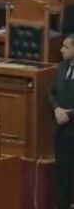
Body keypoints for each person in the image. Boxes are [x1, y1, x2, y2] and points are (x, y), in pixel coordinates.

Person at [49, 35, 74, 209]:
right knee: (62, 173)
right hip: (62, 131)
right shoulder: (61, 67)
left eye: (66, 47)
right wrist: (56, 108)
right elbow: (50, 92)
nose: (61, 49)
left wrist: (68, 114)